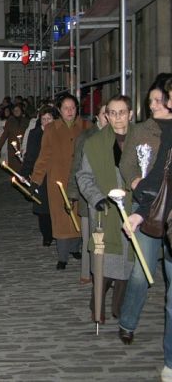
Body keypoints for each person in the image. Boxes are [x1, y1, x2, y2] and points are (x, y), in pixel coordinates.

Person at [116, 73, 172, 348]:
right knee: (142, 269)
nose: (153, 105)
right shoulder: (141, 130)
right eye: (150, 101)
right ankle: (128, 322)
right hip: (146, 205)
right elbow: (127, 163)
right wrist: (133, 179)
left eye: (158, 100)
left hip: (168, 207)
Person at [76, 96, 134, 323]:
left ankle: (120, 308)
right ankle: (97, 306)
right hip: (106, 211)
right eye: (113, 112)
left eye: (122, 112)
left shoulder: (142, 141)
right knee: (106, 266)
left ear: (130, 114)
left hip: (133, 210)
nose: (118, 117)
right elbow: (84, 176)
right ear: (106, 116)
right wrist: (96, 198)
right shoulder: (95, 143)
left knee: (129, 267)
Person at [30, 94, 89, 270]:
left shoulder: (87, 127)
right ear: (59, 110)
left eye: (73, 107)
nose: (70, 111)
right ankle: (62, 256)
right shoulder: (51, 130)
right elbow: (44, 157)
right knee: (62, 219)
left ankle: (75, 248)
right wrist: (36, 180)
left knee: (79, 216)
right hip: (58, 182)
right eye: (66, 108)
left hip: (80, 181)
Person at [67, 104, 108, 283]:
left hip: (109, 193)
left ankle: (106, 272)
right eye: (104, 113)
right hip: (88, 192)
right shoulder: (86, 137)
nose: (107, 117)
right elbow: (77, 166)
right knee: (88, 235)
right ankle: (86, 272)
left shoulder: (119, 136)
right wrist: (72, 193)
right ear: (97, 116)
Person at [21, 105, 58, 246]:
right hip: (40, 174)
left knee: (56, 206)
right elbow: (30, 155)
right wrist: (24, 173)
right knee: (43, 207)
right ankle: (47, 235)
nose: (47, 122)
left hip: (55, 174)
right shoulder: (35, 134)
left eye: (50, 119)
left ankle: (57, 232)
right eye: (44, 119)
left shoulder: (59, 133)